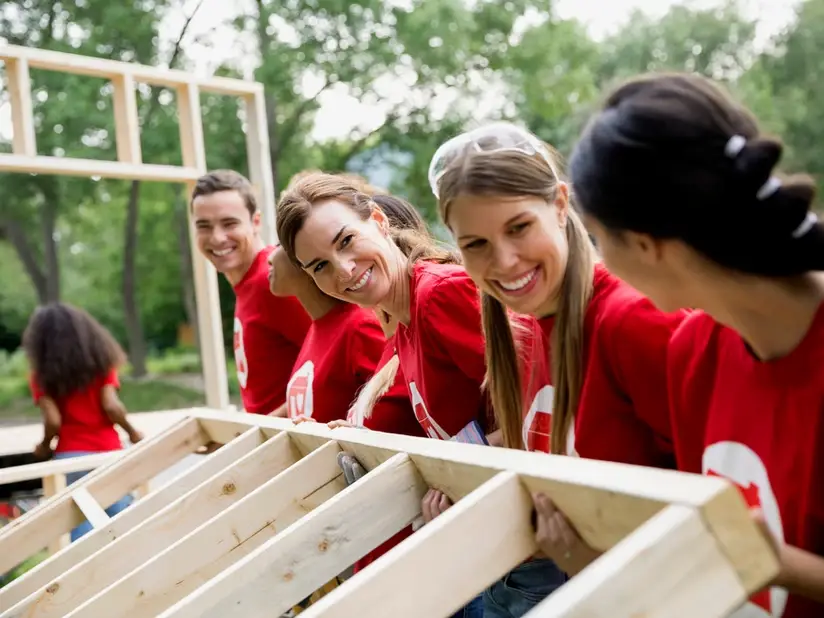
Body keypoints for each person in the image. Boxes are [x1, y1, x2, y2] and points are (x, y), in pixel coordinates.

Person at [568, 71, 824, 617]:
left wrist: (782, 562)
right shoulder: (691, 353)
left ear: (645, 244)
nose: (601, 260)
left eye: (597, 237)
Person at [427, 121, 687, 617]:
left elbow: (725, 508)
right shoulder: (525, 334)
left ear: (561, 205)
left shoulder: (633, 320)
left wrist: (586, 558)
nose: (503, 260)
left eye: (519, 227)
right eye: (475, 244)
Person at [276, 172, 490, 617]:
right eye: (319, 266)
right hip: (485, 548)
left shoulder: (437, 294)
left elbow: (539, 414)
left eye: (346, 241)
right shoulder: (403, 320)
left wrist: (453, 469)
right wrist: (361, 435)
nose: (344, 269)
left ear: (378, 219)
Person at [191, 170, 311, 415]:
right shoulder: (248, 283)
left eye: (229, 223)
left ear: (255, 222)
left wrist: (257, 433)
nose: (217, 237)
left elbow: (336, 369)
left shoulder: (275, 282)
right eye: (204, 226)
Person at [22, 303, 143, 541]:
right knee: (122, 524)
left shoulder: (40, 376)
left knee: (82, 529)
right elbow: (111, 407)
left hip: (71, 460)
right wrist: (132, 432)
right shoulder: (102, 365)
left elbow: (53, 421)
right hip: (108, 454)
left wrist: (45, 446)